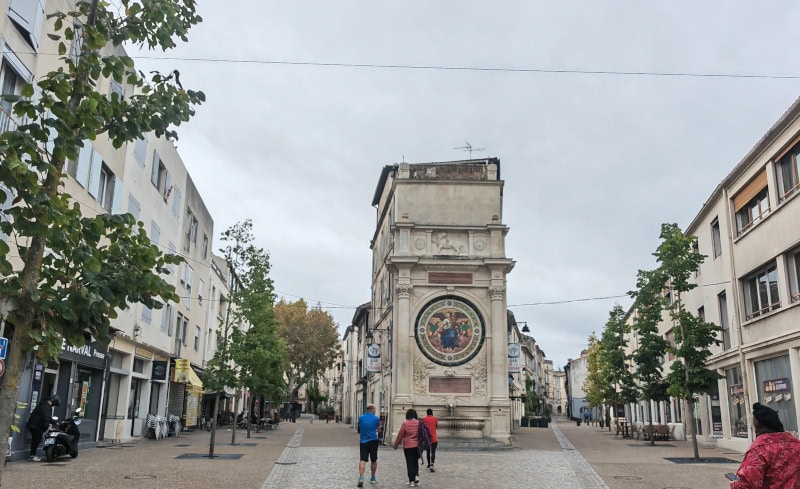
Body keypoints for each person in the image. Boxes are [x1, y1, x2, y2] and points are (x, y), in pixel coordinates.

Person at [730, 402, 800, 488]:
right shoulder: (797, 445)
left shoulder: (759, 451)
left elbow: (748, 485)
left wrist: (735, 484)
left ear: (757, 426)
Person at [26, 394, 60, 462]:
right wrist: (48, 426)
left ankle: (32, 455)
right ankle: (32, 455)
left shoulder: (43, 404)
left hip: (32, 424)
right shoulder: (46, 407)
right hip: (36, 425)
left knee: (36, 439)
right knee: (37, 439)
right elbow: (46, 417)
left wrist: (55, 422)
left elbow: (47, 418)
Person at [393, 409, 420, 487]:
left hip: (408, 446)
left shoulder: (405, 424)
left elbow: (400, 435)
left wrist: (396, 445)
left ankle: (411, 481)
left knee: (409, 463)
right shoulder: (419, 423)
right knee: (415, 462)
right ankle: (416, 476)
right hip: (417, 446)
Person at [357, 404, 380, 487]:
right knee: (373, 460)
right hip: (373, 440)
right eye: (375, 409)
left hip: (363, 441)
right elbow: (378, 429)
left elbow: (359, 428)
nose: (375, 411)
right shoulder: (376, 418)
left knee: (363, 459)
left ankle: (361, 477)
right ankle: (373, 478)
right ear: (372, 409)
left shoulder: (360, 418)